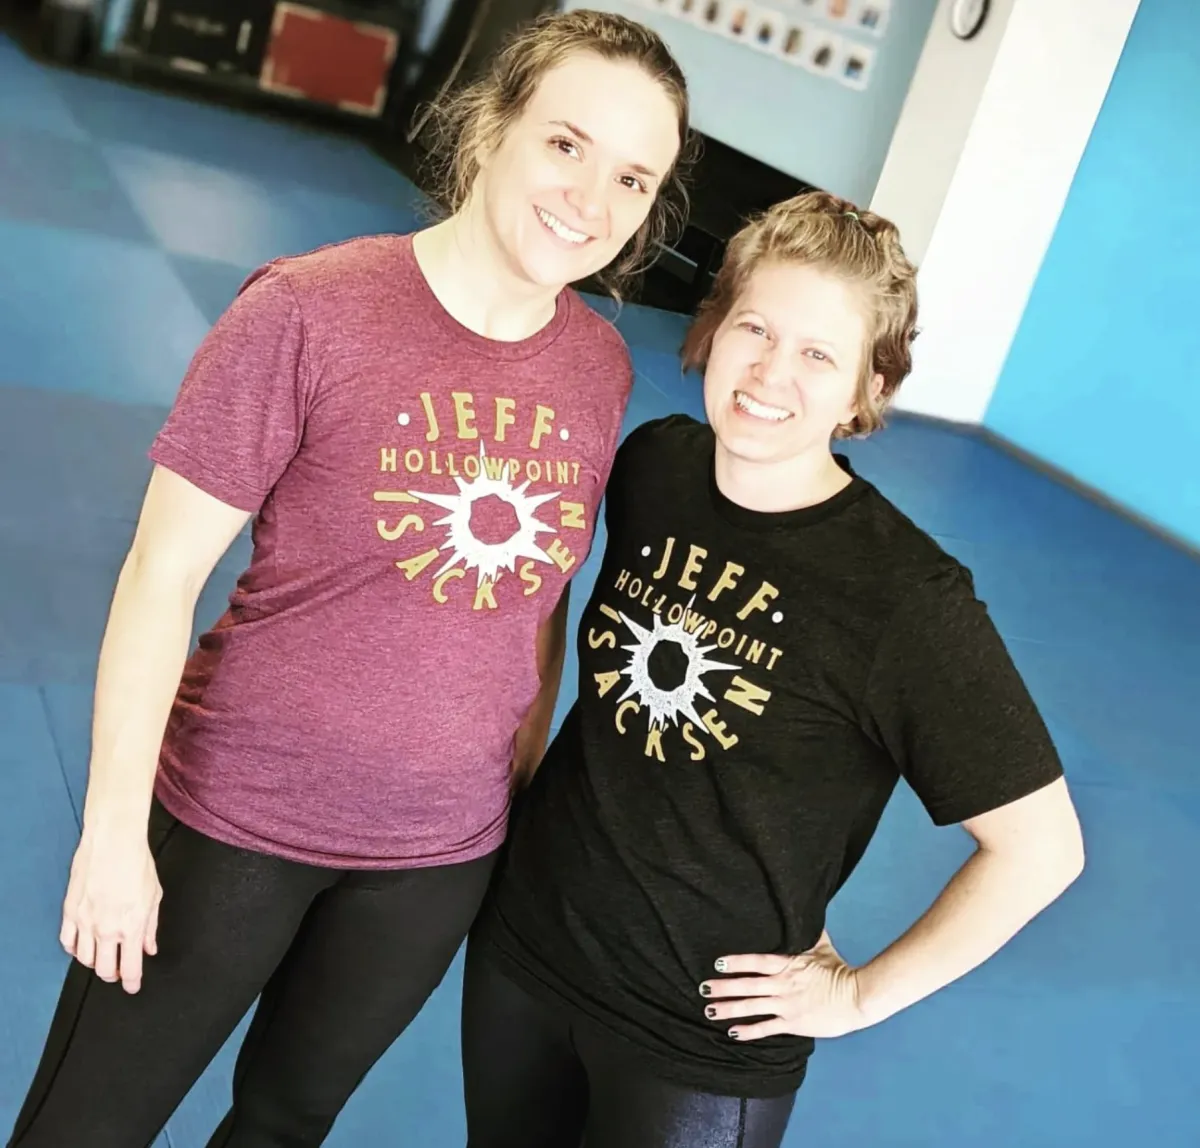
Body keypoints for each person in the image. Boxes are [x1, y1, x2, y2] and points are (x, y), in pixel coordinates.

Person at [8, 11, 693, 1148]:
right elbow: (161, 573)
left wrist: (510, 790)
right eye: (566, 144)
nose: (591, 199)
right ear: (492, 126)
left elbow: (539, 590)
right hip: (235, 818)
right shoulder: (307, 309)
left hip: (433, 861)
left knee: (287, 1122)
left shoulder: (598, 364)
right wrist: (113, 836)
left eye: (633, 178)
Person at [461, 191, 1087, 1148]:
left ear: (868, 390)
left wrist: (864, 997)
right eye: (755, 327)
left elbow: (1042, 850)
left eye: (819, 355)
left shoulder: (904, 599)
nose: (769, 372)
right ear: (714, 327)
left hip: (699, 1038)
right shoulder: (656, 467)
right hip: (525, 954)